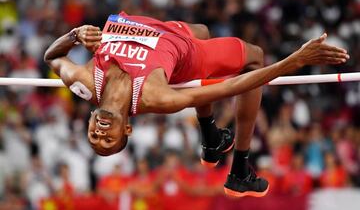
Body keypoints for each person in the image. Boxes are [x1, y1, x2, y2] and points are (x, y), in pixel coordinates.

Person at [44, 12, 349, 198]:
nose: (100, 133)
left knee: (202, 28)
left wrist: (73, 35)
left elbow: (53, 57)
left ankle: (212, 139)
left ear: (89, 122)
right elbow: (232, 86)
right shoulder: (155, 96)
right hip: (183, 54)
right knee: (253, 55)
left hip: (153, 29)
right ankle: (240, 169)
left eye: (94, 136)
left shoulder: (84, 82)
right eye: (108, 140)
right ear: (127, 128)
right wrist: (296, 59)